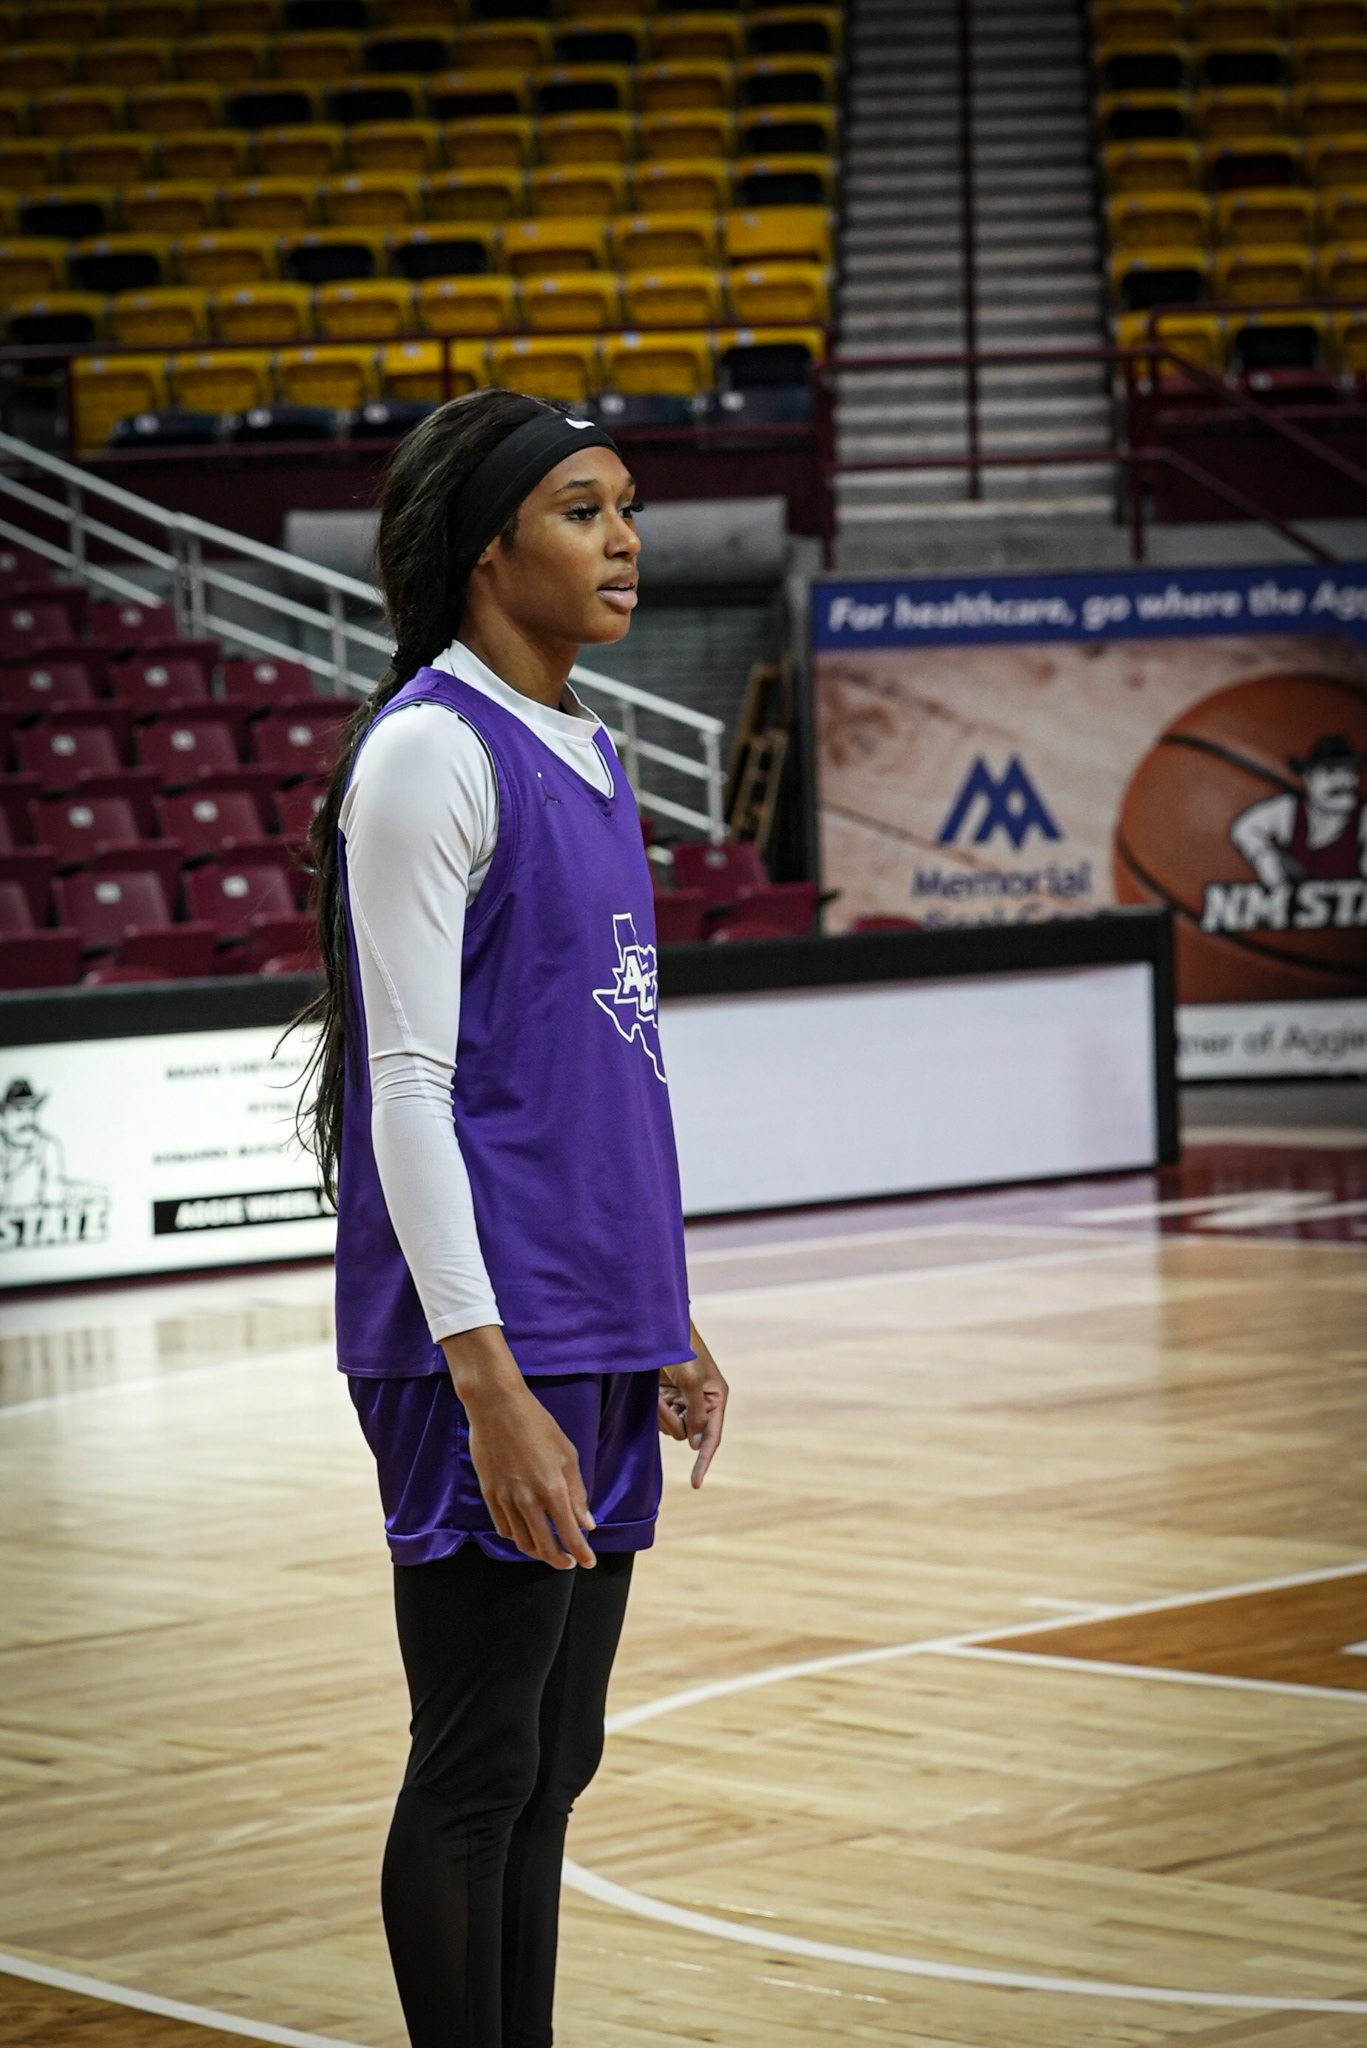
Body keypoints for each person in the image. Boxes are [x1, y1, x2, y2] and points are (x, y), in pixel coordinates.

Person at [300, 388, 728, 2048]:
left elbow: (595, 1071)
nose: (625, 541)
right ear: (488, 549)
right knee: (477, 1768)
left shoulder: (595, 751)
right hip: (483, 1341)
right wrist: (486, 1378)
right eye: (582, 509)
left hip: (593, 1323)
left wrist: (663, 1313)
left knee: (555, 1764)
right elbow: (406, 1089)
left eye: (628, 509)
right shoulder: (431, 750)